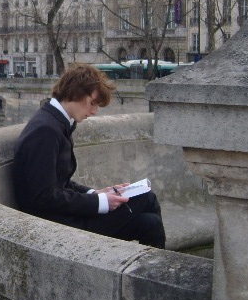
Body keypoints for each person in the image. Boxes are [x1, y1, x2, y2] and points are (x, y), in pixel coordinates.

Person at [13, 63, 165, 248]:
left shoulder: (54, 122)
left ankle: (153, 271)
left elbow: (59, 183)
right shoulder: (46, 130)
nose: (94, 112)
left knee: (150, 224)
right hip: (56, 226)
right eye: (92, 103)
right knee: (146, 197)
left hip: (63, 217)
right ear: (75, 93)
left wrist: (97, 193)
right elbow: (43, 196)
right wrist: (99, 202)